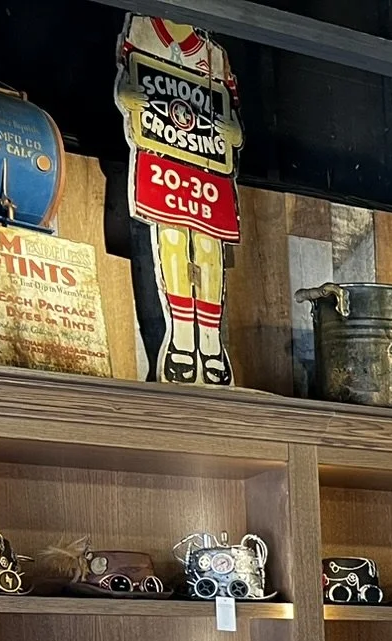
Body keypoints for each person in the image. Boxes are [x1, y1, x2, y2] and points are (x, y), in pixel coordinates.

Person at [114, 14, 243, 385]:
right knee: (169, 239)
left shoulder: (215, 54)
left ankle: (211, 342)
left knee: (208, 247)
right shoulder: (142, 28)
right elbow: (128, 87)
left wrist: (226, 131)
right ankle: (182, 339)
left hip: (207, 168)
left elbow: (231, 116)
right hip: (160, 158)